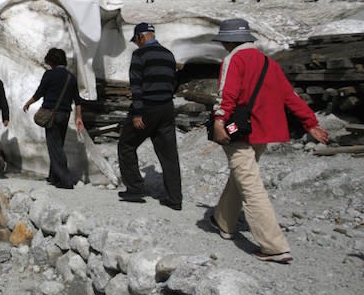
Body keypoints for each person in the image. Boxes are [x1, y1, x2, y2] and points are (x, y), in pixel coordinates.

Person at [208, 18, 329, 264]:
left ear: (230, 40)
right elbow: (290, 96)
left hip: (238, 131)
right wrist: (311, 123)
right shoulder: (268, 63)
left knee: (250, 185)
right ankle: (224, 221)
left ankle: (274, 246)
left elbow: (227, 93)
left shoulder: (234, 59)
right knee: (242, 175)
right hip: (261, 132)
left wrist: (219, 120)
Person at [117, 22, 182, 209]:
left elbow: (136, 86)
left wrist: (137, 113)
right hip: (167, 108)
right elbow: (173, 82)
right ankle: (175, 198)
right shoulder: (168, 55)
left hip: (147, 107)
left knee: (126, 144)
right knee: (169, 153)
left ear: (141, 37)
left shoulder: (139, 55)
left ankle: (135, 189)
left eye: (136, 40)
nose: (136, 44)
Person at [22, 48, 85, 189]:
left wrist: (28, 103)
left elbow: (39, 93)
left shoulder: (49, 74)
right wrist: (79, 117)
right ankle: (54, 176)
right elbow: (78, 100)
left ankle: (65, 180)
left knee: (55, 147)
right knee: (58, 145)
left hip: (51, 114)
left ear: (52, 61)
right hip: (65, 115)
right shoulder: (71, 77)